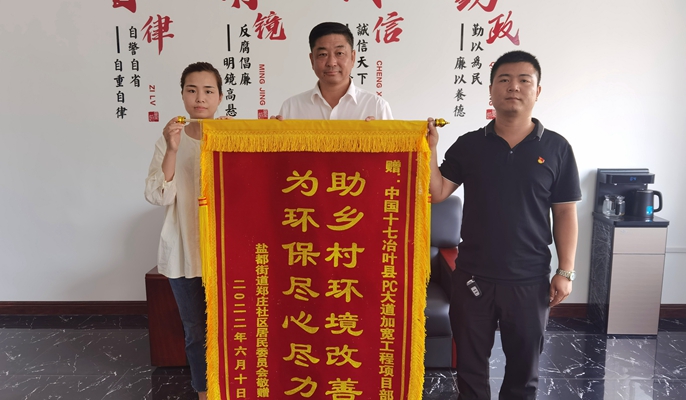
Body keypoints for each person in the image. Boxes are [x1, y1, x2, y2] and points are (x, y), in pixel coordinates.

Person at [426, 51, 581, 400]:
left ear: (537, 91)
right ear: (491, 90)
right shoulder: (470, 144)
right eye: (505, 80)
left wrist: (565, 271)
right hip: (473, 277)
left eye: (524, 80)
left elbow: (565, 213)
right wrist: (432, 149)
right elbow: (437, 193)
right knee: (469, 369)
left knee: (524, 373)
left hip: (529, 279)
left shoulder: (557, 148)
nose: (514, 87)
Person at [144, 61, 228, 400]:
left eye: (208, 90)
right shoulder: (170, 140)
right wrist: (172, 149)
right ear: (182, 95)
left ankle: (233, 388)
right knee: (196, 330)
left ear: (220, 97)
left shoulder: (231, 136)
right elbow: (158, 195)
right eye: (192, 90)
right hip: (184, 253)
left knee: (232, 327)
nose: (200, 98)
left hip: (224, 253)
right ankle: (203, 392)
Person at [276, 21, 393, 121]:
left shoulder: (376, 107)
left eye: (339, 53)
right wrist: (271, 133)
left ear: (353, 57)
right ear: (312, 60)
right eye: (323, 54)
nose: (331, 63)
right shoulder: (291, 107)